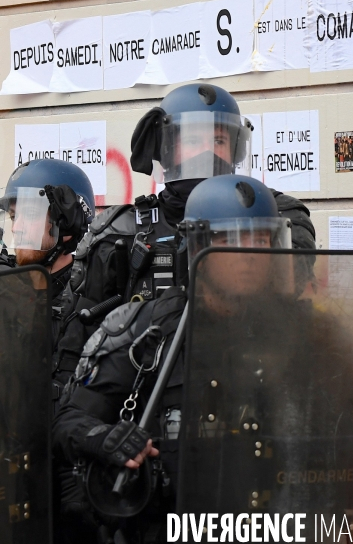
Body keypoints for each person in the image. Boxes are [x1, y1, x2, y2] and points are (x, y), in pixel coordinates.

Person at [52, 174, 317, 543]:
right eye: (230, 239)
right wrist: (105, 438)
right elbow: (67, 419)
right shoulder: (146, 330)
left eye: (260, 239)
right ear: (197, 247)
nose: (249, 256)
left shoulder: (309, 336)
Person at [53, 82, 316, 400]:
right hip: (146, 401)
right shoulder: (117, 231)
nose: (207, 152)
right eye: (192, 140)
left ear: (235, 149)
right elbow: (78, 346)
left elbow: (288, 291)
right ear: (166, 148)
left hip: (250, 388)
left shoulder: (273, 215)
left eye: (218, 140)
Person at [0, 158, 95, 344]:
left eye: (31, 214)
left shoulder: (87, 298)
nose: (15, 227)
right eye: (13, 216)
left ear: (68, 225)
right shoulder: (6, 286)